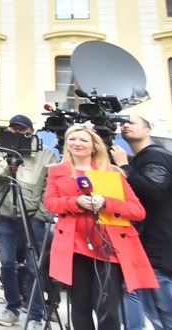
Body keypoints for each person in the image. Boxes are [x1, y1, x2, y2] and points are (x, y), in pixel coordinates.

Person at [44, 125, 157, 330]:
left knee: (107, 310)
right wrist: (76, 203)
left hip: (108, 249)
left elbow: (138, 210)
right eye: (72, 139)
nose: (77, 143)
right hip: (74, 247)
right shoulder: (57, 172)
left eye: (83, 140)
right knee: (79, 306)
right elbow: (51, 203)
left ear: (94, 147)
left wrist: (106, 202)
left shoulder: (112, 173)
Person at [0, 115, 55, 328]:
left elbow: (50, 187)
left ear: (30, 130)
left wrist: (41, 215)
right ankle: (12, 307)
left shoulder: (46, 154)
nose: (18, 133)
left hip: (33, 217)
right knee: (7, 262)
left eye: (22, 130)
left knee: (33, 267)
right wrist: (11, 159)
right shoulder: (2, 150)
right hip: (7, 215)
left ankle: (36, 315)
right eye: (14, 130)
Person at [110, 115, 172, 330]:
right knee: (143, 302)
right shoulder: (137, 160)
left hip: (158, 247)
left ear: (148, 130)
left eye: (133, 122)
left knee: (164, 311)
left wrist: (125, 167)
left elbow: (153, 192)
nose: (126, 125)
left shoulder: (156, 156)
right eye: (123, 123)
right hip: (141, 245)